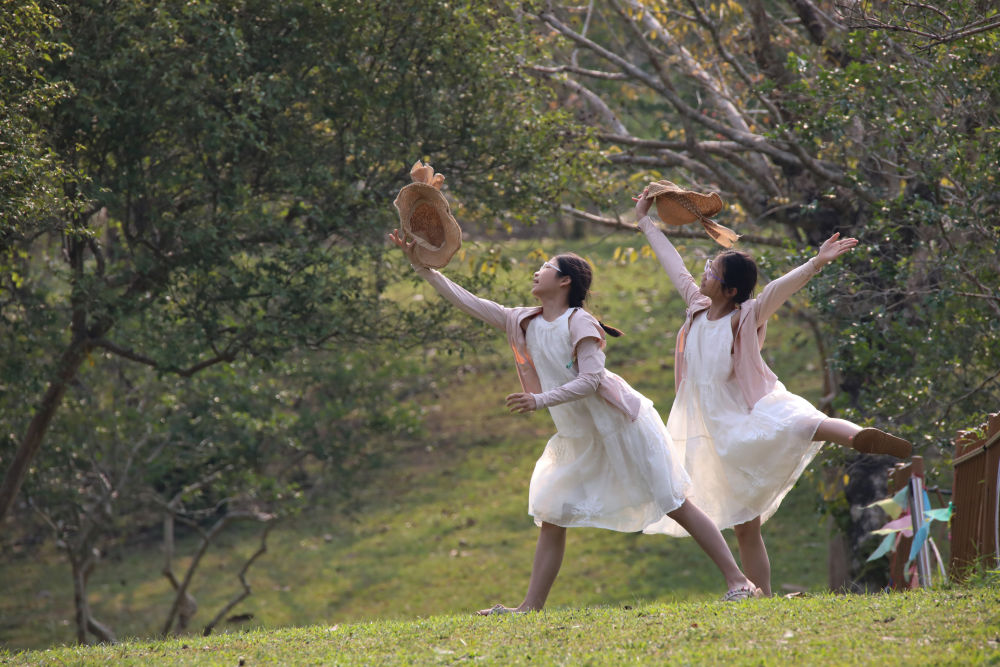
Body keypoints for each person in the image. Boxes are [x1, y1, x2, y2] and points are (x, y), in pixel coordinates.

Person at [388, 229, 761, 615]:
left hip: (622, 426)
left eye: (545, 267)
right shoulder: (525, 321)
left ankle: (739, 583)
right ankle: (529, 607)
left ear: (564, 281)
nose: (536, 272)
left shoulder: (579, 322)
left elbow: (591, 380)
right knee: (552, 514)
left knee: (675, 502)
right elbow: (468, 302)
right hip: (580, 435)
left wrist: (539, 400)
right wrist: (424, 269)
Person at [632, 187, 912, 596]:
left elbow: (777, 289)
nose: (703, 274)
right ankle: (760, 597)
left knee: (804, 422)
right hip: (711, 429)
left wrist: (815, 263)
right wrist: (645, 222)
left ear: (730, 291)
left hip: (743, 413)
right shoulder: (696, 308)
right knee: (747, 524)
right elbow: (673, 263)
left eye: (711, 271)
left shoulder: (744, 317)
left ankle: (860, 437)